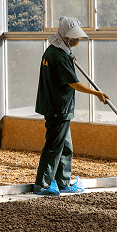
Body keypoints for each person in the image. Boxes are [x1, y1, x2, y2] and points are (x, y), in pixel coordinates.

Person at [33, 17, 109, 196]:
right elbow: (73, 83)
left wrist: (70, 56)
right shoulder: (58, 56)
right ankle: (42, 184)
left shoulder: (55, 51)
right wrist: (96, 93)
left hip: (59, 108)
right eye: (75, 37)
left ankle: (63, 182)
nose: (78, 40)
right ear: (66, 37)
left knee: (65, 147)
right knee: (54, 146)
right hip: (58, 108)